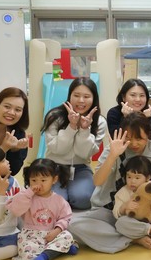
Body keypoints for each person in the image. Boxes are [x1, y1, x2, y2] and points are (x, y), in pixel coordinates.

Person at [68, 113, 151, 254]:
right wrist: (112, 155)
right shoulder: (113, 149)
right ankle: (134, 238)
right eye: (128, 138)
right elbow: (97, 181)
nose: (133, 143)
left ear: (148, 134)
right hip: (111, 210)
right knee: (73, 225)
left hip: (148, 211)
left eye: (139, 138)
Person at [41, 77, 106, 210]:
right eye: (76, 95)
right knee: (55, 202)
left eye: (86, 96)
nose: (81, 100)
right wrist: (71, 127)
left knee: (83, 200)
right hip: (54, 167)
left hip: (80, 168)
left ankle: (70, 194)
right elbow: (57, 150)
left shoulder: (99, 122)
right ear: (69, 96)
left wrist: (84, 130)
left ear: (94, 98)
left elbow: (83, 154)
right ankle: (64, 196)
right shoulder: (54, 116)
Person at [6, 159, 77, 260]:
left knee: (67, 236)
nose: (38, 184)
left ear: (54, 179)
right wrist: (29, 192)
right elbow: (16, 210)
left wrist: (56, 231)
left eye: (43, 180)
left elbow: (65, 218)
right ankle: (57, 251)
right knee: (26, 252)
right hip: (31, 235)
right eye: (34, 180)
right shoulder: (26, 196)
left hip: (52, 233)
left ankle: (43, 257)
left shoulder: (59, 200)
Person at [112, 156, 151, 250]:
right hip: (137, 225)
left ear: (148, 177)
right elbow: (116, 212)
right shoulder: (124, 191)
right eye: (129, 177)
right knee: (120, 223)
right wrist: (125, 206)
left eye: (137, 177)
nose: (132, 181)